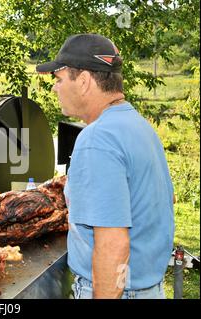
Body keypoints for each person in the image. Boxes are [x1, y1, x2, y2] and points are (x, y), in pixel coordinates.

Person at [36, 34, 174, 299]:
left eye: (59, 79)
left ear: (84, 81)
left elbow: (114, 244)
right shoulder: (139, 127)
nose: (55, 88)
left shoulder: (97, 138)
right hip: (148, 290)